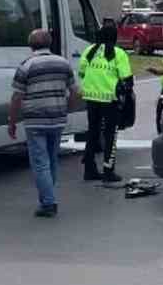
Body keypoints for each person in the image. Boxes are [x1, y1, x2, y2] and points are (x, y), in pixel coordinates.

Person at [9, 29, 81, 217]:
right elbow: (75, 91)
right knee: (51, 160)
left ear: (31, 45)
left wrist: (12, 121)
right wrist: (68, 109)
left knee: (40, 163)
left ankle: (49, 203)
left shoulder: (26, 66)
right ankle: (47, 198)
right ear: (49, 44)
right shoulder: (63, 63)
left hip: (35, 121)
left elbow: (17, 96)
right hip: (57, 119)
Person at [77, 23, 133, 183]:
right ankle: (108, 171)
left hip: (91, 98)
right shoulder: (118, 53)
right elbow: (127, 79)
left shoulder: (89, 51)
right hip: (110, 100)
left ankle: (89, 169)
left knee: (92, 133)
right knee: (110, 136)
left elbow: (81, 73)